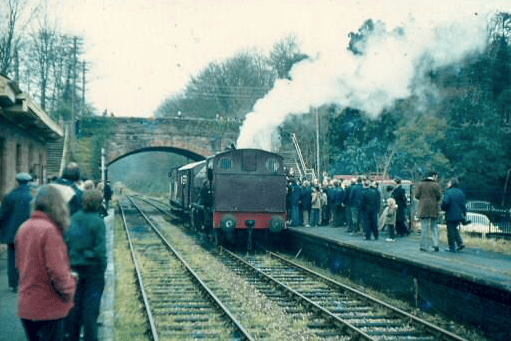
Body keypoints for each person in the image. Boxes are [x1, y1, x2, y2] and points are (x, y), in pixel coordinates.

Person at [15, 185, 77, 341]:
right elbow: (57, 272)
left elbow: (20, 266)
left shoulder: (24, 227)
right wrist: (71, 287)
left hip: (27, 306)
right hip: (48, 307)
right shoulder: (49, 231)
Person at [64, 189, 107, 341]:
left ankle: (72, 337)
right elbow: (101, 248)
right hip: (93, 270)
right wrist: (103, 266)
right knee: (91, 309)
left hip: (74, 267)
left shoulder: (74, 218)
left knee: (74, 306)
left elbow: (68, 242)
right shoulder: (98, 221)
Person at [0, 172, 33, 292]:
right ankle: (25, 281)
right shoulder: (32, 196)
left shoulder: (10, 196)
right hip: (29, 232)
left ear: (17, 181)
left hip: (12, 232)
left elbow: (2, 214)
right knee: (27, 256)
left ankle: (14, 283)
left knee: (12, 257)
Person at [415, 171, 442, 252]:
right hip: (433, 208)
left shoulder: (420, 184)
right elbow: (439, 196)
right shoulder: (436, 185)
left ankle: (423, 246)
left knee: (424, 227)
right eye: (436, 176)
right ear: (433, 176)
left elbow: (416, 196)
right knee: (434, 227)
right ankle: (435, 244)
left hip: (423, 208)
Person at [441, 178, 466, 253]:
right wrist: (464, 213)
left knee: (450, 231)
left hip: (450, 214)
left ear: (452, 184)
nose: (447, 184)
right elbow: (463, 204)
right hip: (459, 214)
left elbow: (445, 202)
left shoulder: (448, 192)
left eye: (448, 183)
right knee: (454, 229)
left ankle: (452, 247)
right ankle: (460, 243)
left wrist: (443, 208)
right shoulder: (460, 192)